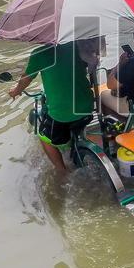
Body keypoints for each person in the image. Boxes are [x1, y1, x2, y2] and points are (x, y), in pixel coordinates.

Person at [8, 38, 99, 175]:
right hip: (87, 105)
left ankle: (62, 171)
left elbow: (26, 79)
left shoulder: (39, 54)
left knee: (44, 138)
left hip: (62, 114)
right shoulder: (75, 45)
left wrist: (16, 91)